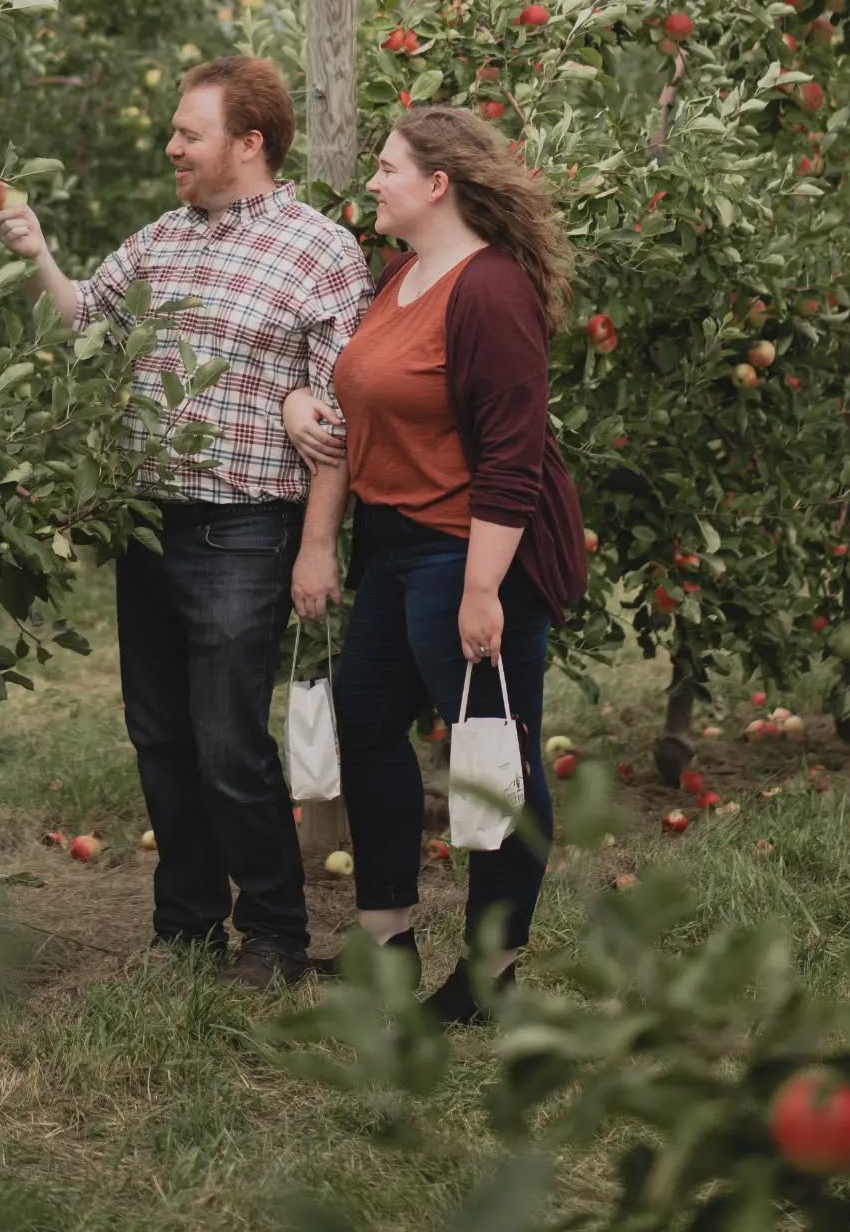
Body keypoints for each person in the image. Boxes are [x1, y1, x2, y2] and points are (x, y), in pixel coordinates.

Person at [0, 56, 372, 988]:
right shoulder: (161, 239)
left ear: (249, 143)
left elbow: (337, 424)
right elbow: (89, 320)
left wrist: (317, 546)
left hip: (244, 531)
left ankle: (275, 935)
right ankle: (188, 923)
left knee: (230, 741)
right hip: (148, 522)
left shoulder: (320, 252)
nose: (171, 147)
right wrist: (38, 254)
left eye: (187, 133)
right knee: (158, 733)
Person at [282, 104, 586, 1024]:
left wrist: (485, 589)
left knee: (495, 761)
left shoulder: (489, 292)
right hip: (400, 546)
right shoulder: (403, 277)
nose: (372, 181)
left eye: (386, 168)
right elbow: (359, 393)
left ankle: (490, 975)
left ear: (437, 184)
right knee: (367, 724)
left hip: (469, 551)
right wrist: (301, 402)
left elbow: (514, 455)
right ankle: (386, 941)